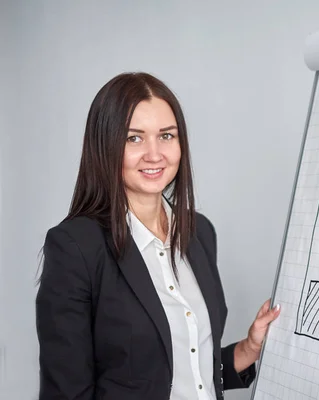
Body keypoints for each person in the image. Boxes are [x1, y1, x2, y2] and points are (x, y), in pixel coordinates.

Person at [35, 72, 280, 400]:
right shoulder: (76, 247)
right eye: (133, 138)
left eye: (166, 136)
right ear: (105, 145)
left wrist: (249, 348)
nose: (154, 154)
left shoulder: (199, 232)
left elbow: (181, 370)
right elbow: (67, 392)